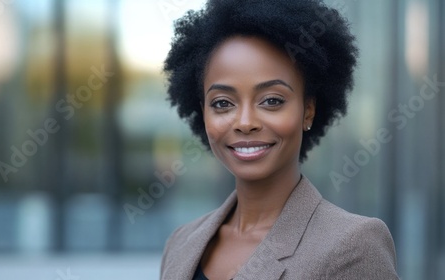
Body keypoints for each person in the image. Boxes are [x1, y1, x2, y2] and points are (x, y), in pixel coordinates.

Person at [160, 0, 399, 279]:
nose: (245, 122)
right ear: (203, 113)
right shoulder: (181, 243)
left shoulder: (353, 246)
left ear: (307, 110)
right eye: (223, 103)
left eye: (272, 100)